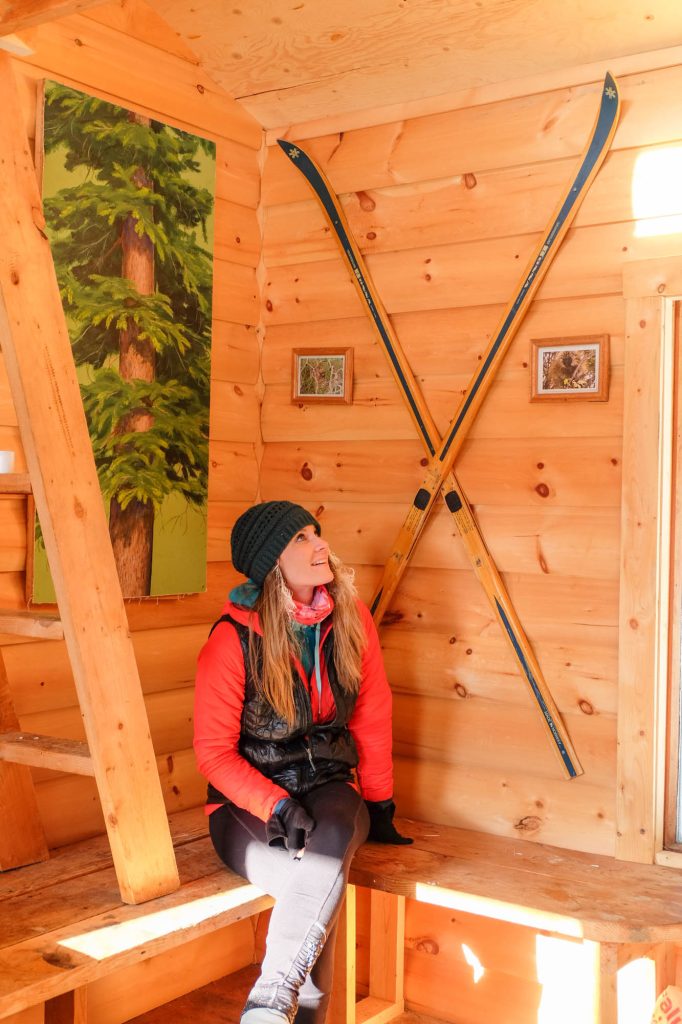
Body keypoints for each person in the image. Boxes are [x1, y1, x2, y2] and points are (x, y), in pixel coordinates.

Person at [194, 500, 411, 1024]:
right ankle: (278, 1002)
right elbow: (214, 753)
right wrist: (275, 804)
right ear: (272, 561)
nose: (321, 545)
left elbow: (372, 714)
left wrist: (379, 801)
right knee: (314, 884)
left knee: (324, 856)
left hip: (329, 785)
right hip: (247, 804)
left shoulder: (350, 618)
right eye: (301, 538)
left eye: (317, 533)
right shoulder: (232, 639)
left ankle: (270, 1001)